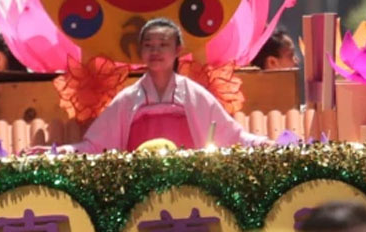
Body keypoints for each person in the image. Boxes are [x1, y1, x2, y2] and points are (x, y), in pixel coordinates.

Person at [64, 18, 266, 153]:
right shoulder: (127, 100)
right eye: (149, 46)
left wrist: (261, 144)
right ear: (141, 51)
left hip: (187, 185)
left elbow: (231, 136)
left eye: (163, 45)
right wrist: (65, 151)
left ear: (178, 50)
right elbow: (98, 145)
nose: (155, 51)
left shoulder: (194, 95)